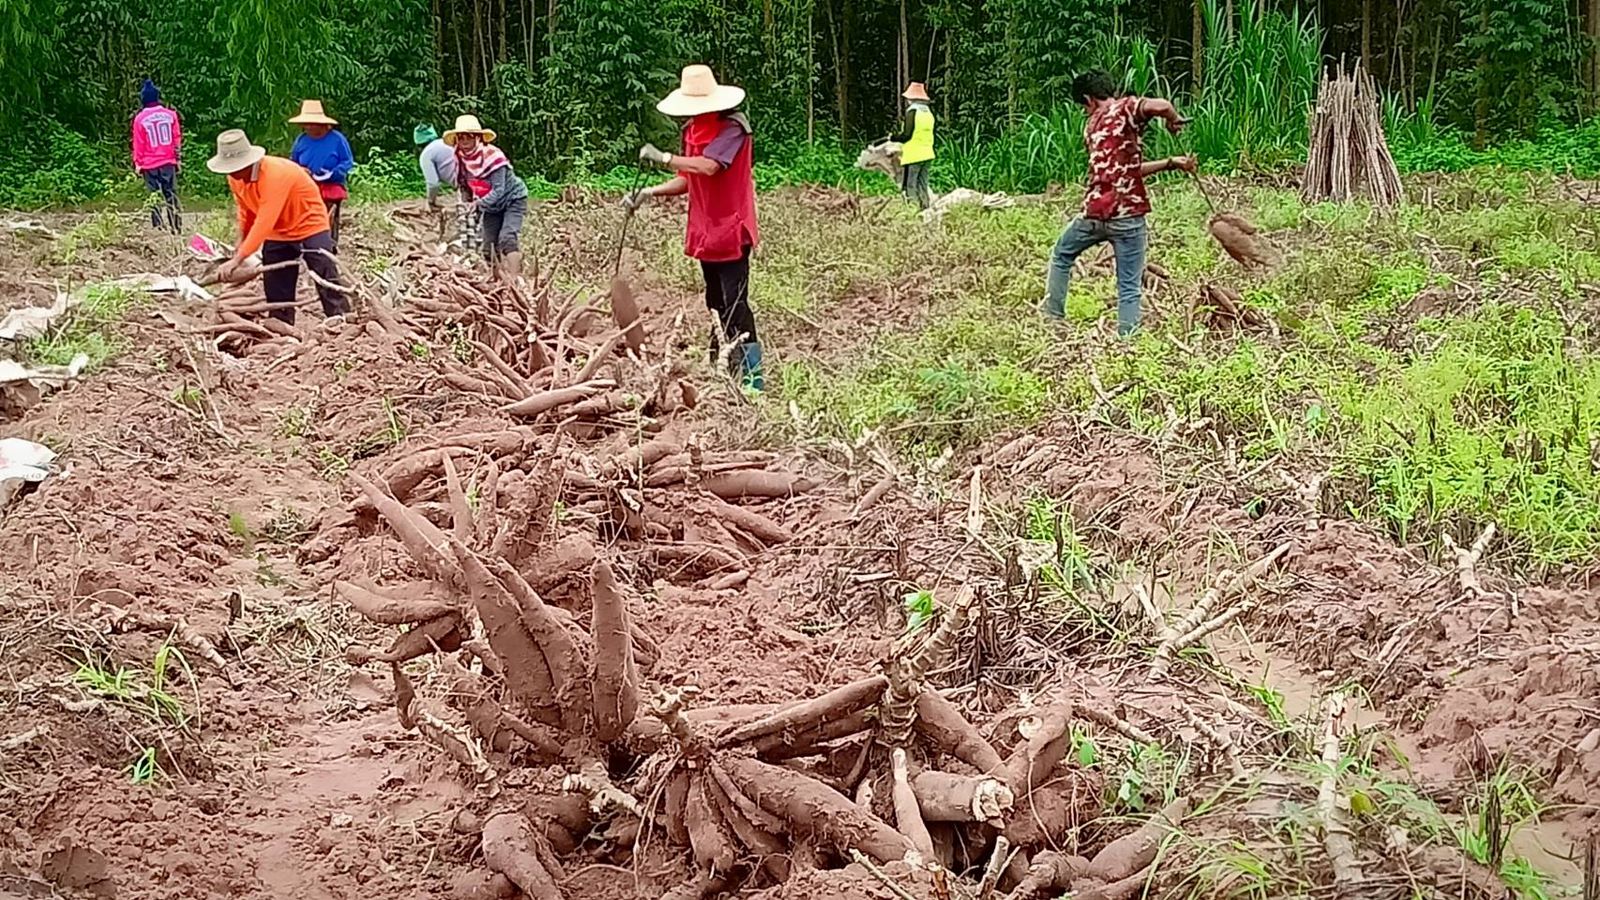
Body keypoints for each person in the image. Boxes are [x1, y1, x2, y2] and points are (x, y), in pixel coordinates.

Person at [624, 64, 763, 390]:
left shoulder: (733, 128)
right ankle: (720, 366)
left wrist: (665, 157)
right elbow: (689, 178)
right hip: (706, 230)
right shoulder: (691, 131)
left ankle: (754, 380)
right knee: (714, 302)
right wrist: (648, 192)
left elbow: (710, 166)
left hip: (732, 226)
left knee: (736, 304)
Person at [1043, 70, 1195, 337]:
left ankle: (1053, 319)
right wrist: (1172, 121)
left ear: (1088, 100)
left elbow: (1127, 168)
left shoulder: (1091, 127)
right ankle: (1128, 345)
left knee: (1061, 254)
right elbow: (1163, 106)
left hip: (1094, 214)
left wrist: (1172, 163)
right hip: (1128, 217)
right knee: (1129, 286)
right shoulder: (1125, 107)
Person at [208, 129, 349, 325]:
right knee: (275, 281)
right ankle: (280, 325)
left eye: (235, 168)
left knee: (324, 269)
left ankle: (341, 319)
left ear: (249, 163)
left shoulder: (275, 175)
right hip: (279, 230)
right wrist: (240, 245)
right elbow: (246, 212)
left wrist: (238, 260)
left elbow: (265, 220)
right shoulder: (235, 178)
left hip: (309, 222)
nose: (232, 173)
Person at [443, 115, 529, 283]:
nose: (465, 140)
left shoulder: (493, 156)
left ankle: (516, 280)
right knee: (488, 247)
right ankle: (496, 279)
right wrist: (468, 205)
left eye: (469, 136)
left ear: (478, 137)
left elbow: (499, 190)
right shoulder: (460, 160)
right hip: (491, 206)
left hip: (512, 199)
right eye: (461, 136)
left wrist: (477, 204)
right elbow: (464, 186)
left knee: (507, 238)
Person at [288, 100, 354, 250]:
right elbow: (293, 162)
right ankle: (307, 246)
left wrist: (333, 173)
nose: (310, 127)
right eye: (307, 124)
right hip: (307, 186)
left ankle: (329, 246)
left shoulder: (337, 139)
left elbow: (347, 162)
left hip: (331, 187)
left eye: (313, 123)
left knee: (328, 217)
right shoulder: (301, 140)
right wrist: (301, 170)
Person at [131, 78, 182, 234]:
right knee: (171, 194)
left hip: (149, 163)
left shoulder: (139, 119)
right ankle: (176, 226)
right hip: (168, 160)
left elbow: (139, 143)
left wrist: (138, 163)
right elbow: (176, 138)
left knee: (154, 196)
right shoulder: (171, 115)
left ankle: (158, 228)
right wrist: (178, 159)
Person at [888, 81, 935, 210]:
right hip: (928, 153)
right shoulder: (928, 113)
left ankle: (912, 211)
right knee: (923, 184)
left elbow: (907, 135)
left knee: (910, 185)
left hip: (914, 155)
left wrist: (893, 137)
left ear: (911, 99)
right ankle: (926, 208)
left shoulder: (912, 112)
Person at [414, 123, 458, 208]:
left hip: (465, 186)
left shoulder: (426, 154)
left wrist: (431, 202)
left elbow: (433, 183)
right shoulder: (445, 142)